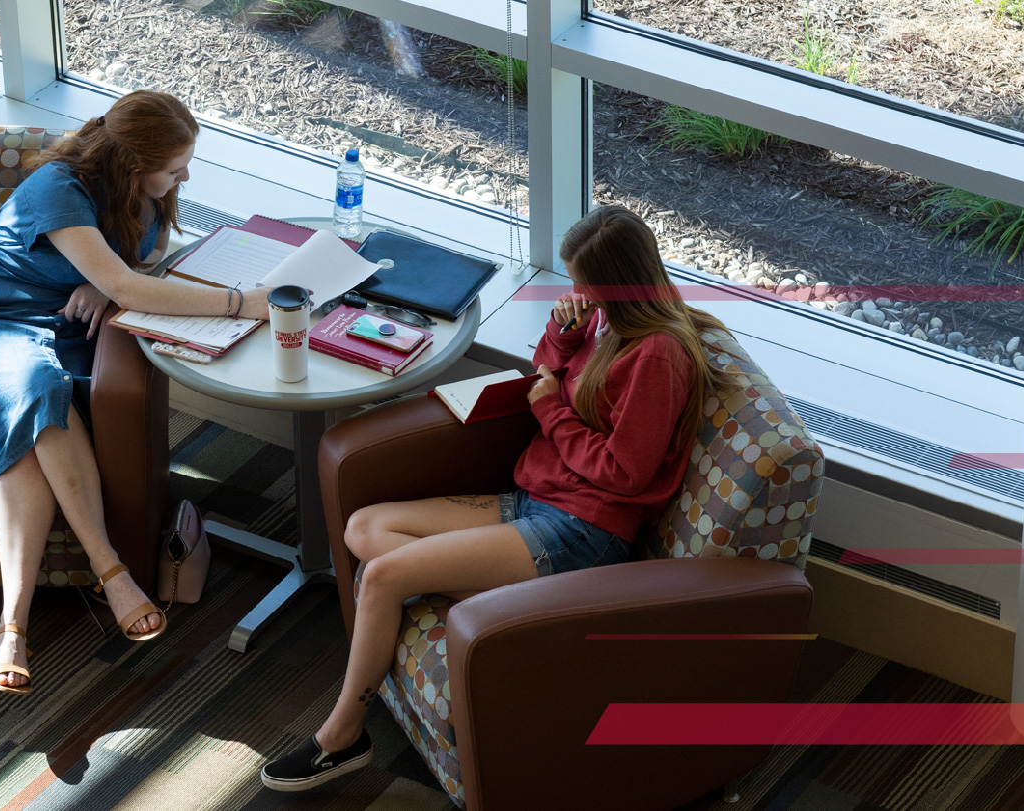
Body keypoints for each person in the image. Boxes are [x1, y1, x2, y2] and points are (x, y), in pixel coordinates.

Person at [260, 204, 740, 791]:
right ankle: (516, 608)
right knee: (364, 526)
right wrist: (562, 338)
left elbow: (623, 473)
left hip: (582, 532)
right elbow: (546, 373)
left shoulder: (657, 355)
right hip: (536, 501)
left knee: (383, 576)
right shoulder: (605, 321)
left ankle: (341, 738)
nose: (575, 292)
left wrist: (550, 409)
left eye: (583, 281)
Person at [0, 90, 272, 695]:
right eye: (173, 167)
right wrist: (242, 305)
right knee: (41, 393)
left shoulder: (145, 191)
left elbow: (145, 265)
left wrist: (111, 287)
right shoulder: (58, 189)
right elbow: (130, 280)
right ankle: (110, 571)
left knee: (29, 433)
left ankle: (11, 625)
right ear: (131, 163)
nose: (184, 176)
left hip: (63, 328)